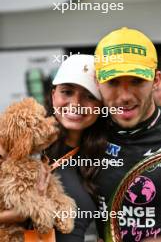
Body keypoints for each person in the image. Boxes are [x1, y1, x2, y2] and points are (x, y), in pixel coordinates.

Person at [0, 54, 107, 242]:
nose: (75, 104)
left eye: (89, 96)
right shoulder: (11, 145)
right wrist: (15, 215)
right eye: (67, 92)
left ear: (101, 105)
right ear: (53, 94)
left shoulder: (107, 155)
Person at [93, 27, 161, 241]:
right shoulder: (89, 134)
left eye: (137, 81)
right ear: (97, 82)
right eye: (112, 82)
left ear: (156, 81)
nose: (125, 96)